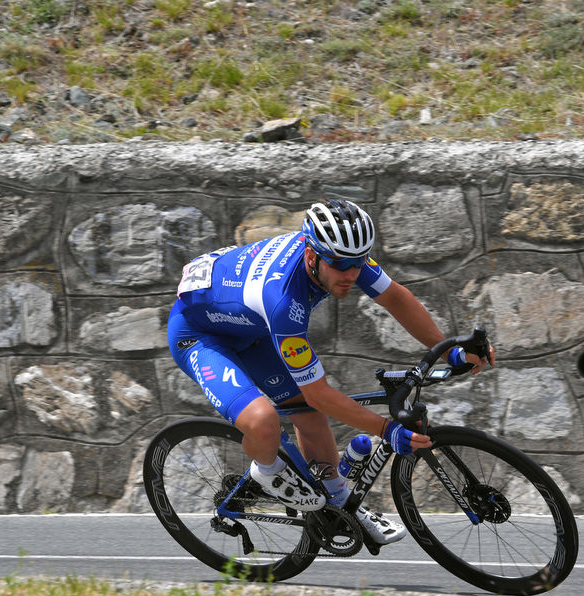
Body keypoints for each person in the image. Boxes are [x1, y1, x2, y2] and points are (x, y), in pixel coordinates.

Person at [167, 198, 495, 544]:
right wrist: (387, 429)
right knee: (264, 421)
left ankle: (341, 504)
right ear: (312, 256)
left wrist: (450, 351)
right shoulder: (283, 301)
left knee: (307, 415)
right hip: (199, 335)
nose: (351, 275)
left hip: (253, 329)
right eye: (341, 266)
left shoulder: (340, 255)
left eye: (358, 263)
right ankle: (266, 472)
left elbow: (396, 299)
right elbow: (320, 393)